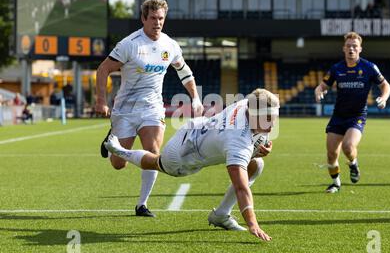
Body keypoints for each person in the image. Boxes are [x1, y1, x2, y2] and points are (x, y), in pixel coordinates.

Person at [103, 88, 279, 242]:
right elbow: (241, 188)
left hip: (197, 128)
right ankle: (118, 149)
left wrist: (260, 147)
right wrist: (252, 223)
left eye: (274, 118)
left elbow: (255, 132)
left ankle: (220, 215)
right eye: (268, 119)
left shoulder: (246, 104)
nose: (272, 126)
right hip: (183, 156)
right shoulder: (237, 140)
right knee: (156, 162)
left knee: (256, 164)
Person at [95, 0, 204, 217]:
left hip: (153, 108)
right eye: (153, 18)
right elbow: (103, 69)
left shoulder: (170, 45)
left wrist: (195, 98)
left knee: (154, 154)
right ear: (143, 18)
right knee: (118, 164)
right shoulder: (130, 44)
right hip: (125, 109)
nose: (157, 22)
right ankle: (111, 142)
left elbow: (184, 71)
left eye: (161, 18)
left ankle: (141, 205)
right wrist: (100, 101)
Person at [314, 32, 390, 193]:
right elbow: (322, 85)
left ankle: (353, 163)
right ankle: (336, 183)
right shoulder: (337, 68)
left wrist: (383, 98)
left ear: (360, 49)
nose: (351, 48)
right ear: (344, 48)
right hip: (338, 116)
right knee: (331, 155)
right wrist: (319, 91)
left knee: (348, 147)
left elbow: (385, 85)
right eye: (348, 46)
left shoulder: (369, 67)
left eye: (354, 46)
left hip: (357, 116)